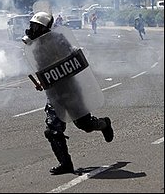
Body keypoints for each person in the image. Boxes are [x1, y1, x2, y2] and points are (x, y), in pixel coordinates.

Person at [22, 12, 114, 175]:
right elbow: (43, 70)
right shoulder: (34, 48)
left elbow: (74, 57)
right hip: (54, 94)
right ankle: (65, 164)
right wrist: (42, 83)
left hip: (70, 90)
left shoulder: (58, 40)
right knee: (52, 130)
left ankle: (104, 124)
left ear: (43, 28)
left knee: (85, 126)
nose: (31, 29)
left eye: (35, 26)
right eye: (31, 25)